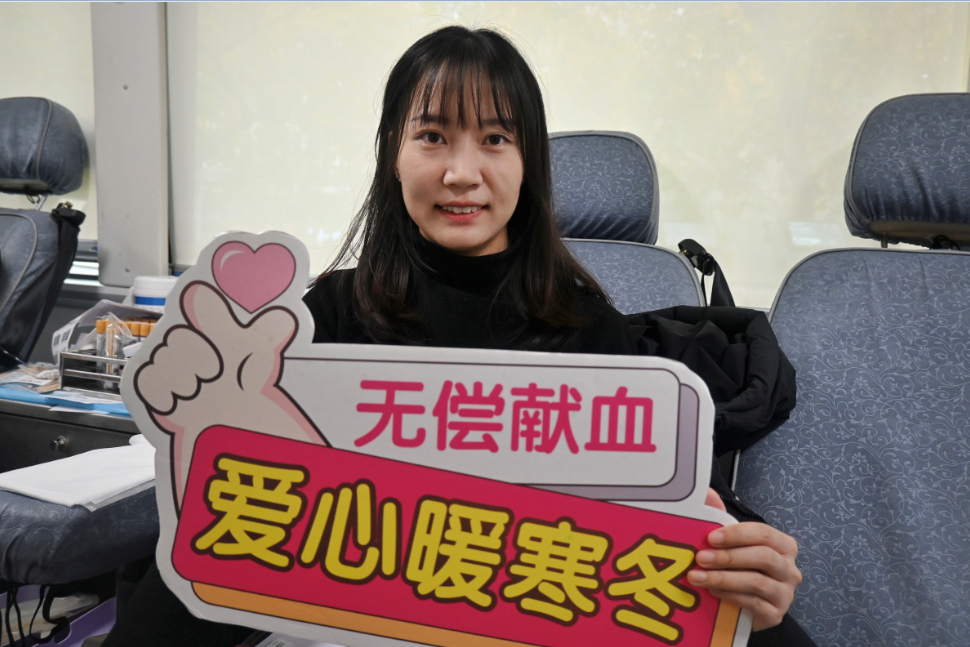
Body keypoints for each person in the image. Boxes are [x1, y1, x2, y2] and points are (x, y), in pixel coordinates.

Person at [105, 25, 813, 647]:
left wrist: (748, 581)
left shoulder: (587, 330)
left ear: (528, 162)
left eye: (496, 139)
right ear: (394, 153)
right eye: (432, 136)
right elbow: (236, 528)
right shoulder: (327, 317)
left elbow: (659, 541)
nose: (461, 173)